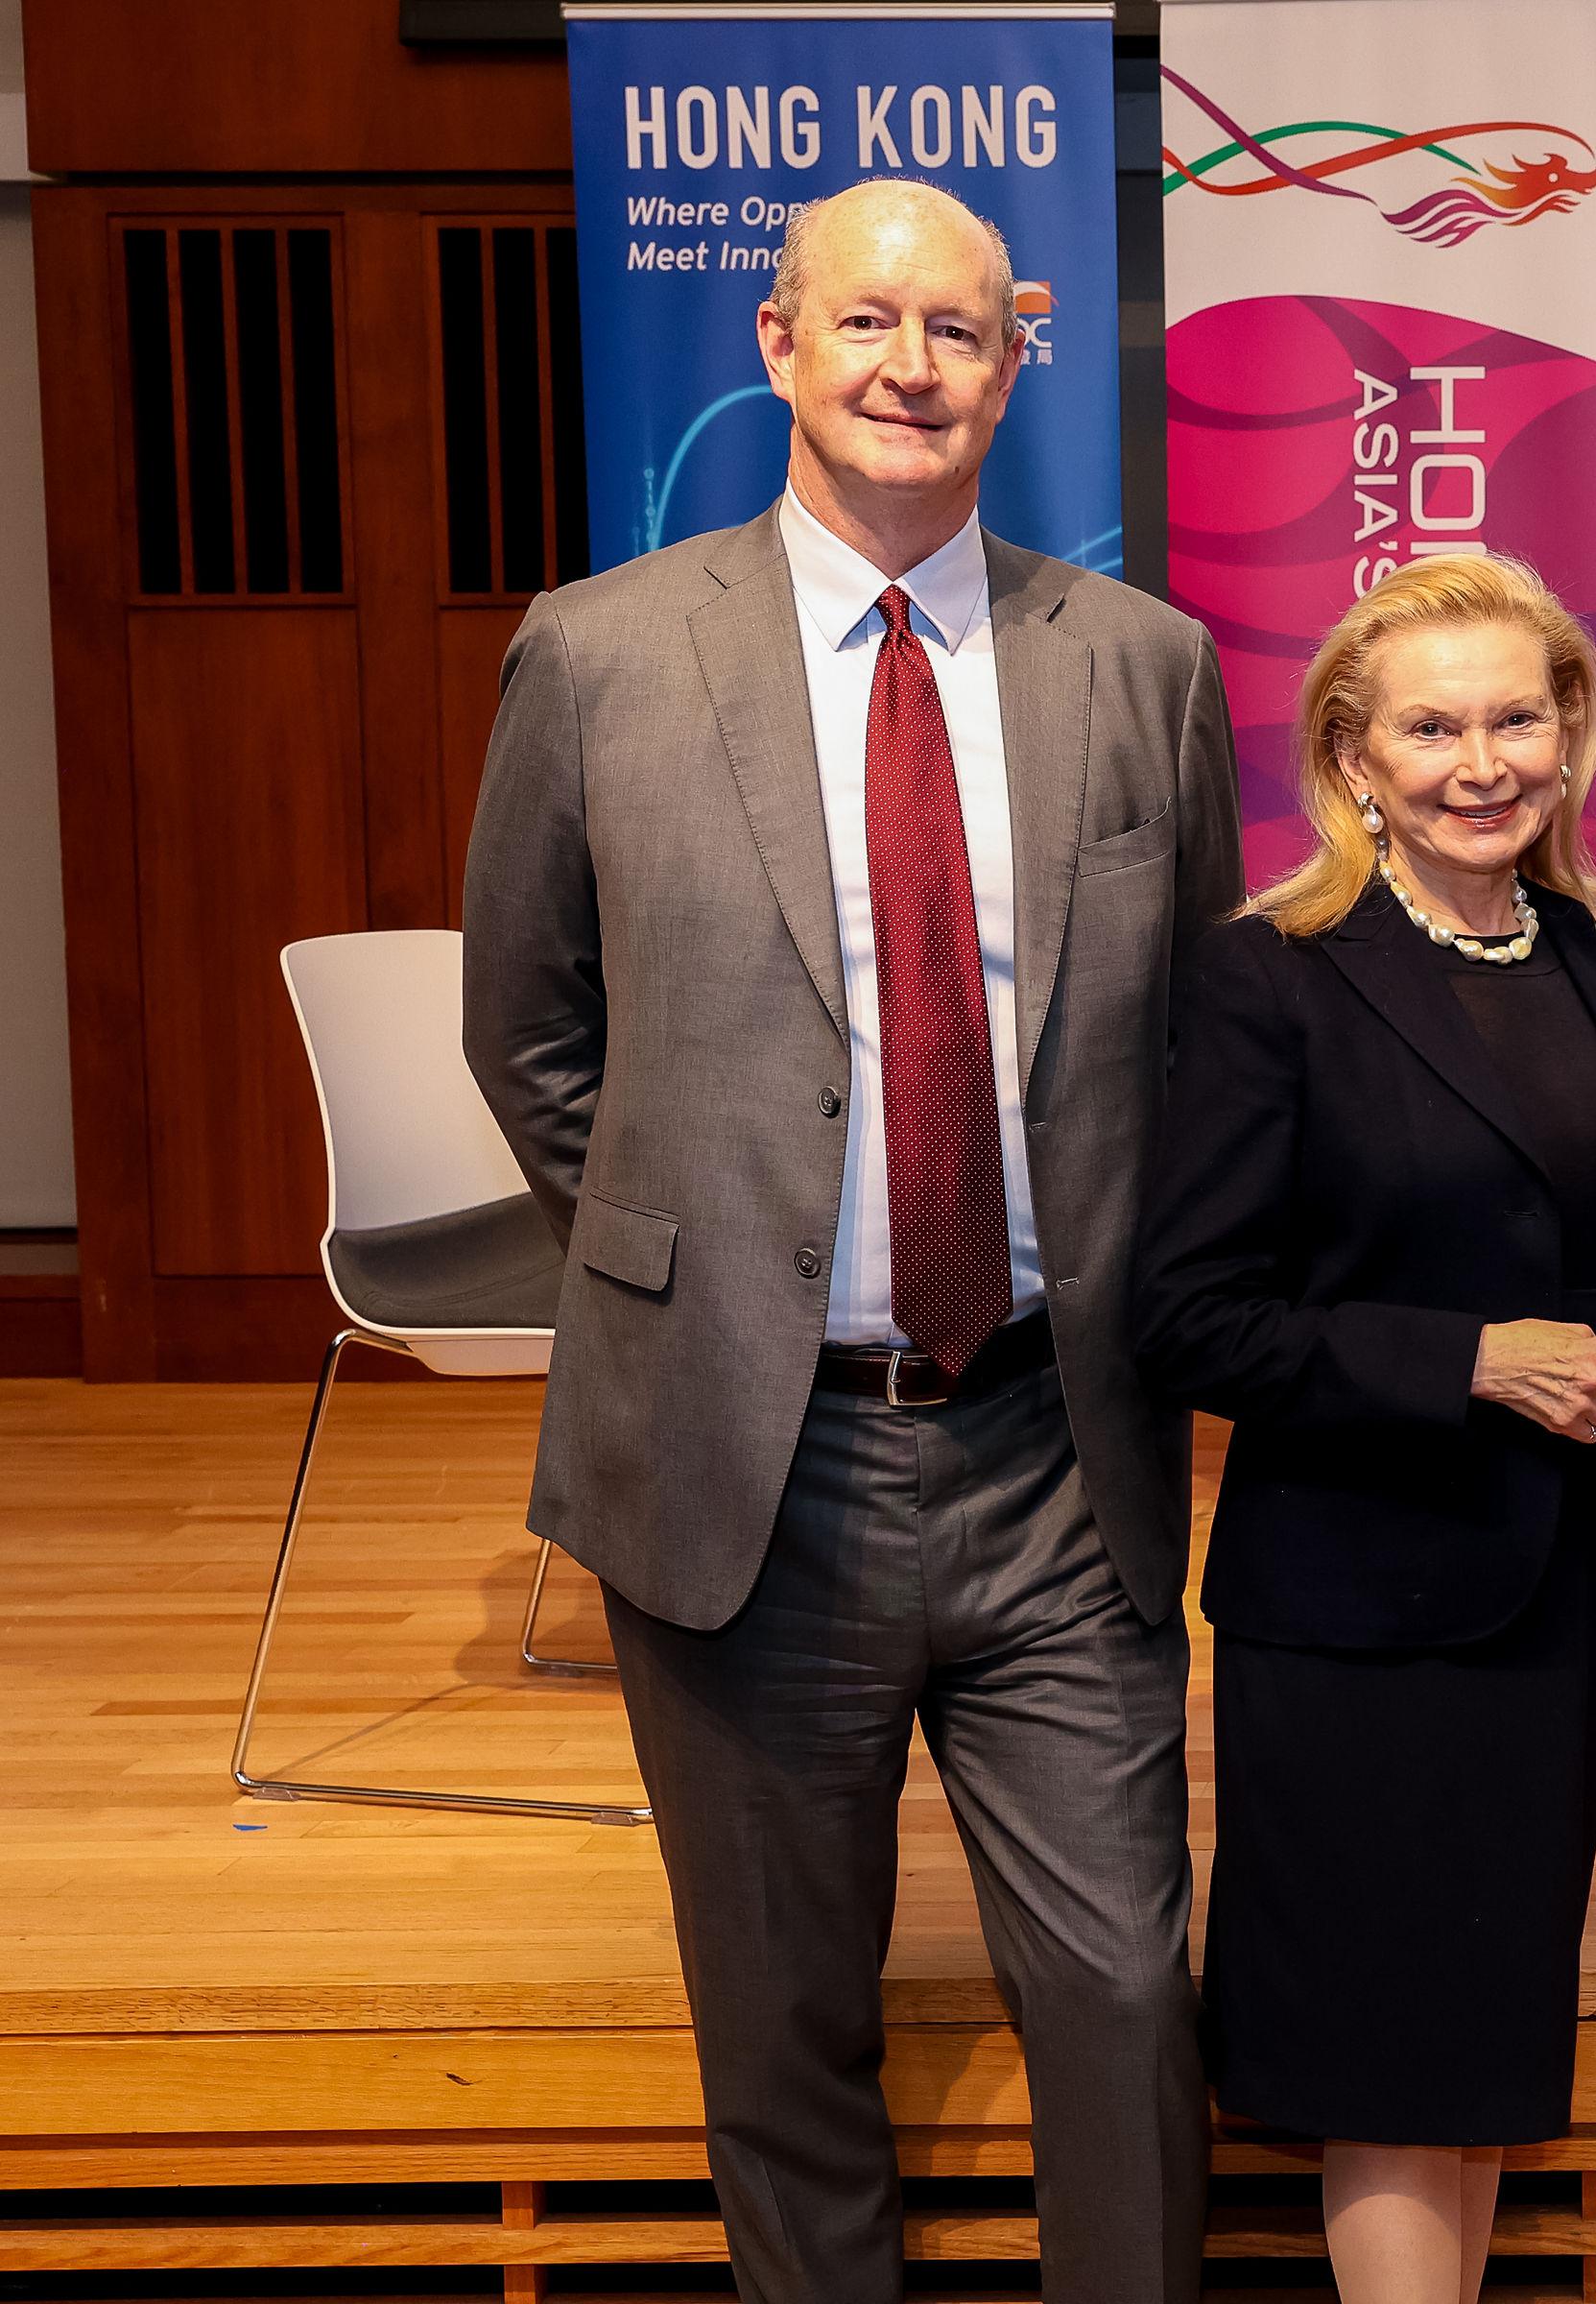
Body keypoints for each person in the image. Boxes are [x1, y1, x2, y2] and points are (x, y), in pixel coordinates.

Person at [460, 180, 1239, 2304]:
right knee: (784, 2032)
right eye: (870, 324)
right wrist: (698, 1269)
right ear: (777, 343)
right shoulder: (602, 652)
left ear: (1023, 357)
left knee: (1120, 2006)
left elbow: (1187, 1056)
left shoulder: (1145, 673)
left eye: (961, 332)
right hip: (743, 1469)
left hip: (1055, 1460)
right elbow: (530, 1029)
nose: (914, 369)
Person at [1134, 553, 1596, 2304]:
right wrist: (1462, 1359)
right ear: (1353, 759)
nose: (1482, 762)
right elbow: (1188, 1315)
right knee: (1385, 2074)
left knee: (1474, 2059)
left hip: (1539, 1613)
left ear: (1571, 732)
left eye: (1516, 717)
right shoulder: (1274, 974)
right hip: (1360, 1613)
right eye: (1433, 726)